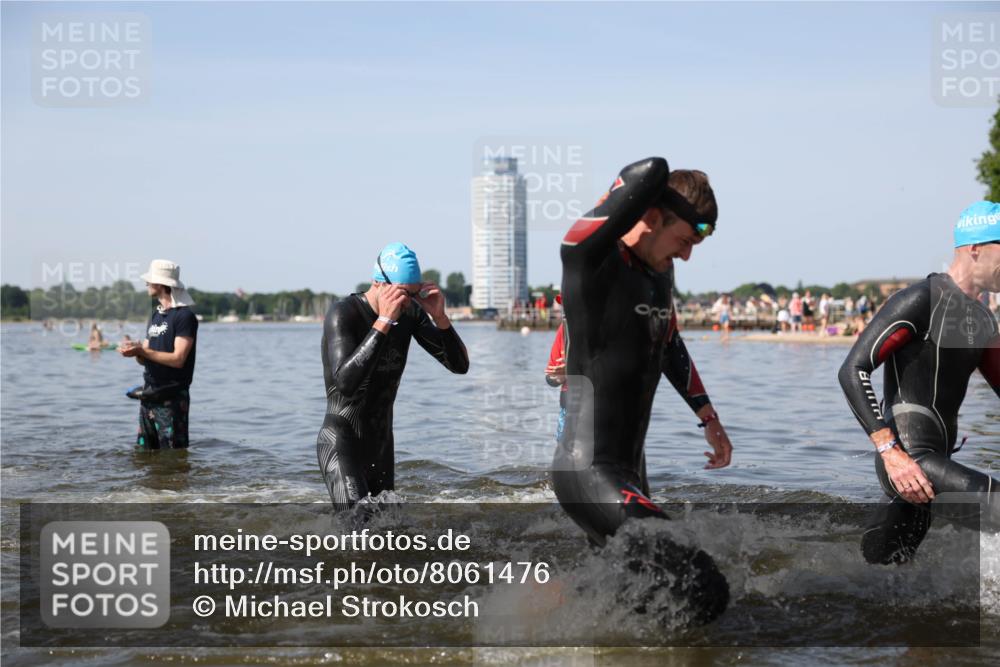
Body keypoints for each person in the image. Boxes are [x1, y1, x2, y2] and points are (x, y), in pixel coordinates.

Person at [552, 157, 732, 623]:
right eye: (685, 241)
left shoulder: (659, 274)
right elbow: (646, 170)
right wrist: (658, 183)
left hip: (630, 472)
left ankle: (540, 623)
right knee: (702, 584)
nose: (688, 256)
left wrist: (708, 417)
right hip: (588, 471)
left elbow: (668, 343)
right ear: (651, 217)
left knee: (631, 598)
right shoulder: (593, 262)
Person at [838, 201, 1000, 565]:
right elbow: (853, 369)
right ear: (976, 248)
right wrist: (891, 453)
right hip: (908, 459)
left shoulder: (983, 319)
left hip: (932, 466)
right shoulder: (921, 300)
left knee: (884, 571)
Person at [317, 242, 469, 510]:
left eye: (414, 294)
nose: (407, 302)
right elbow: (346, 385)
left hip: (382, 446)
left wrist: (440, 318)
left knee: (391, 534)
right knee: (359, 530)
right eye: (403, 294)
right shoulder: (344, 313)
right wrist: (384, 322)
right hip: (342, 442)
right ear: (379, 283)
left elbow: (459, 366)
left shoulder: (410, 313)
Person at [120, 259, 199, 450]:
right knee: (144, 455)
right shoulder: (155, 315)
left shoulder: (184, 316)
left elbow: (179, 359)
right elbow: (145, 356)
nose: (146, 284)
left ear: (162, 285)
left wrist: (143, 350)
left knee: (174, 457)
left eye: (150, 280)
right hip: (149, 394)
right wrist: (135, 352)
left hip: (172, 398)